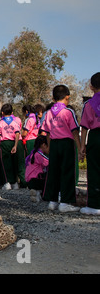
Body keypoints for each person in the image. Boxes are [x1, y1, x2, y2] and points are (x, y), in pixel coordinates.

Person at [40, 85, 82, 213]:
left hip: (54, 144)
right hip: (66, 144)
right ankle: (65, 202)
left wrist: (48, 147)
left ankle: (52, 201)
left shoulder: (48, 113)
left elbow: (46, 132)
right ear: (67, 97)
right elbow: (75, 131)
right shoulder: (68, 112)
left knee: (53, 172)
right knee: (67, 172)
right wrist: (80, 149)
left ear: (53, 98)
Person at [79, 72, 100, 215]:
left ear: (91, 87)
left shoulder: (88, 104)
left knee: (94, 171)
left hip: (95, 137)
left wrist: (82, 147)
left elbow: (84, 127)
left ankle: (94, 205)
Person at [0, 103, 21, 190]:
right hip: (13, 143)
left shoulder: (0, 123)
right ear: (12, 112)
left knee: (5, 163)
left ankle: (7, 183)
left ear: (2, 112)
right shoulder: (15, 122)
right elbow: (17, 134)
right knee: (14, 163)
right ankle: (15, 183)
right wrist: (15, 145)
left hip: (4, 143)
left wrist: (3, 136)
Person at [25, 135, 49, 203]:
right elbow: (50, 163)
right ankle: (44, 194)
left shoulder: (33, 153)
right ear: (44, 145)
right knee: (50, 176)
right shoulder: (39, 155)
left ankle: (37, 192)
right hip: (36, 180)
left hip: (29, 181)